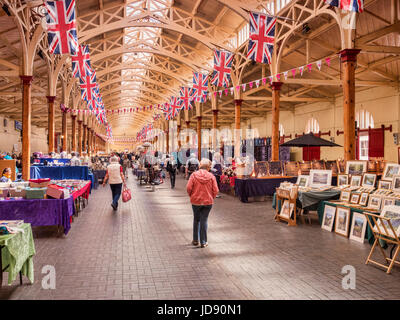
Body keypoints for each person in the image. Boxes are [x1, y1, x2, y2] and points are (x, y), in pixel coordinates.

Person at [186, 158, 219, 248]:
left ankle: (195, 240)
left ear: (200, 166)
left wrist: (192, 196)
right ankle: (203, 242)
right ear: (208, 167)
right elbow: (216, 190)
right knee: (204, 220)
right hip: (207, 202)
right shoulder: (211, 176)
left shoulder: (193, 175)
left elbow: (188, 188)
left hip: (195, 201)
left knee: (196, 219)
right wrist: (211, 197)